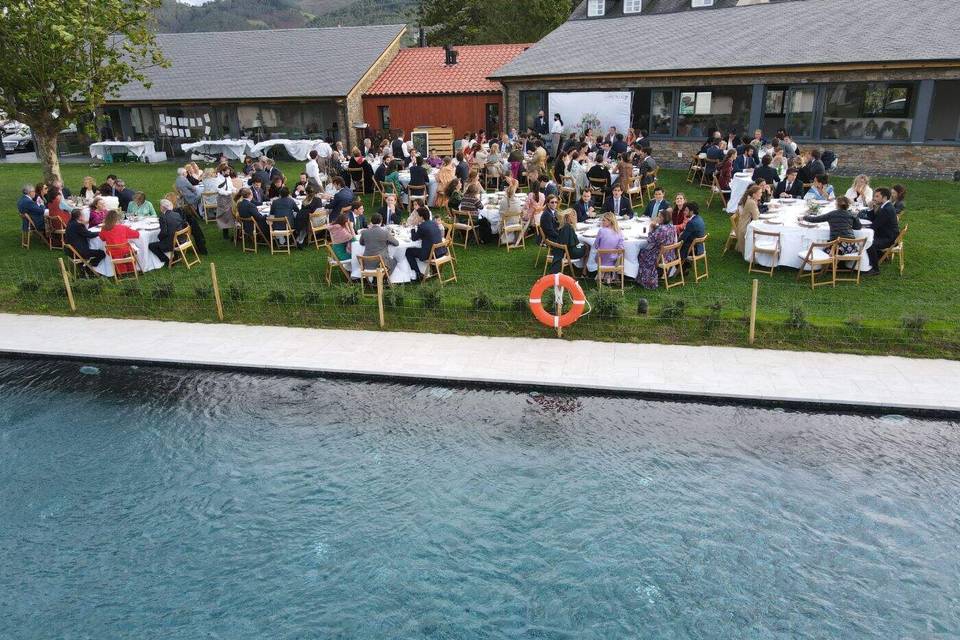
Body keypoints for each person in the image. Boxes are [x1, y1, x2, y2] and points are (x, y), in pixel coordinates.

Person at [637, 208, 677, 289]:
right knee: (644, 251)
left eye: (659, 217)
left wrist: (651, 228)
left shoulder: (661, 229)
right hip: (670, 254)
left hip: (660, 256)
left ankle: (647, 279)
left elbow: (650, 240)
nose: (657, 218)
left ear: (663, 218)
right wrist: (656, 228)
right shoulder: (671, 226)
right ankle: (656, 273)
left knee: (641, 253)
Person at [865, 187, 900, 275]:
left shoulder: (886, 210)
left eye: (877, 196)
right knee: (868, 238)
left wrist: (861, 228)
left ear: (884, 198)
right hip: (886, 234)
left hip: (888, 238)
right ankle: (879, 255)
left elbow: (874, 226)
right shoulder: (885, 206)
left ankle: (875, 269)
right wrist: (870, 209)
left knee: (868, 242)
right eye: (874, 196)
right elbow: (875, 221)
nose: (874, 198)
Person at [406, 207, 445, 281]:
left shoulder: (422, 226)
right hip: (440, 251)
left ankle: (418, 274)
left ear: (421, 217)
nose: (416, 217)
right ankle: (434, 270)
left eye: (417, 216)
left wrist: (413, 226)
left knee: (408, 251)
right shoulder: (434, 223)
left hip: (430, 254)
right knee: (426, 246)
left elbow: (414, 238)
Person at [98, 210, 139, 274]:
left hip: (112, 252)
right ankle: (132, 270)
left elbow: (102, 238)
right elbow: (136, 234)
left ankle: (122, 272)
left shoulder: (104, 228)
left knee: (120, 252)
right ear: (118, 219)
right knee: (134, 248)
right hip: (125, 251)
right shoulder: (123, 227)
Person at [148, 199, 188, 265]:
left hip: (173, 243)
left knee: (151, 246)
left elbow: (163, 233)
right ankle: (175, 257)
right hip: (182, 239)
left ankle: (167, 260)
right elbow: (182, 225)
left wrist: (158, 238)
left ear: (163, 207)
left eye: (160, 206)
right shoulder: (177, 214)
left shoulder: (163, 217)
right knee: (171, 235)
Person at [550, 209, 585, 274]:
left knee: (585, 246)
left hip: (566, 251)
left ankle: (582, 268)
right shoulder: (568, 227)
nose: (574, 217)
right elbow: (572, 244)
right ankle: (584, 271)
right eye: (573, 215)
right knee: (587, 247)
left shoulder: (564, 225)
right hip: (570, 252)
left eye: (574, 215)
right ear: (567, 217)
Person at [592, 212, 625, 283]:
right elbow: (621, 248)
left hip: (601, 259)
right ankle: (611, 276)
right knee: (614, 256)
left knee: (594, 252)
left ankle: (603, 275)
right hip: (614, 260)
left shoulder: (601, 231)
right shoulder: (619, 232)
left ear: (610, 221)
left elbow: (596, 245)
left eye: (604, 220)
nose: (602, 222)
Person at [736, 184, 763, 254]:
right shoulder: (752, 202)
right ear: (754, 194)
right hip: (745, 227)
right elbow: (756, 218)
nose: (761, 194)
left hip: (744, 224)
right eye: (760, 193)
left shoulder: (751, 200)